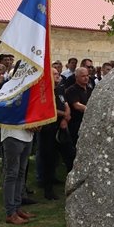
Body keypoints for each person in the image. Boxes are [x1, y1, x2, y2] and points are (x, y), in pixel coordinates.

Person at [39, 67, 75, 200]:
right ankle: (48, 190)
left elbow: (65, 103)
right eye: (54, 74)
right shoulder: (44, 91)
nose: (58, 75)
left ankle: (72, 184)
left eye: (58, 73)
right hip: (49, 129)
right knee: (49, 159)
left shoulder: (60, 89)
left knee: (70, 156)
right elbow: (48, 109)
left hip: (62, 127)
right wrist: (64, 115)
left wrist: (65, 118)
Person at [1, 121, 37, 225]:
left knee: (21, 173)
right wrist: (27, 124)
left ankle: (17, 208)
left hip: (27, 135)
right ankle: (10, 213)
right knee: (12, 174)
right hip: (13, 135)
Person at [65, 66, 93, 147]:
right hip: (76, 124)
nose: (86, 78)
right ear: (76, 77)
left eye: (87, 75)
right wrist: (92, 110)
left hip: (88, 123)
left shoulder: (90, 89)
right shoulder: (72, 90)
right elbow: (77, 105)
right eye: (83, 76)